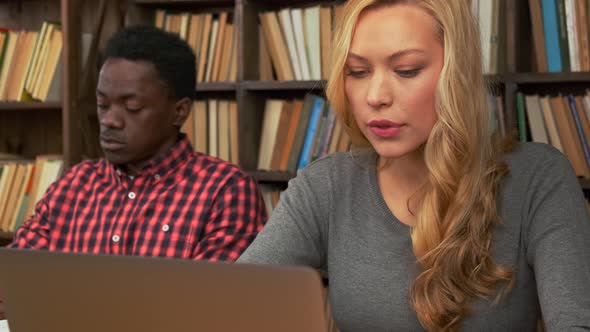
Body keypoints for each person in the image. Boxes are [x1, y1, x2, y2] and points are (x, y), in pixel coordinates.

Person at [238, 1, 590, 331]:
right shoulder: (326, 185)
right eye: (357, 72)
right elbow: (231, 304)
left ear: (457, 74)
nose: (375, 96)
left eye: (406, 70)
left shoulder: (538, 178)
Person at [0, 26, 267, 320]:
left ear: (179, 111)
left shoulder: (224, 191)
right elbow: (13, 285)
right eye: (102, 105)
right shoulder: (73, 186)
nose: (110, 120)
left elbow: (207, 311)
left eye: (132, 107)